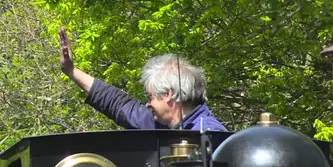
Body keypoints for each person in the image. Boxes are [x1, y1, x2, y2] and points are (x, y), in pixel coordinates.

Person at [58, 30, 226, 132]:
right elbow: (118, 104)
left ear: (168, 94)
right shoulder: (161, 125)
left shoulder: (209, 135)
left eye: (150, 97)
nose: (147, 104)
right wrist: (71, 71)